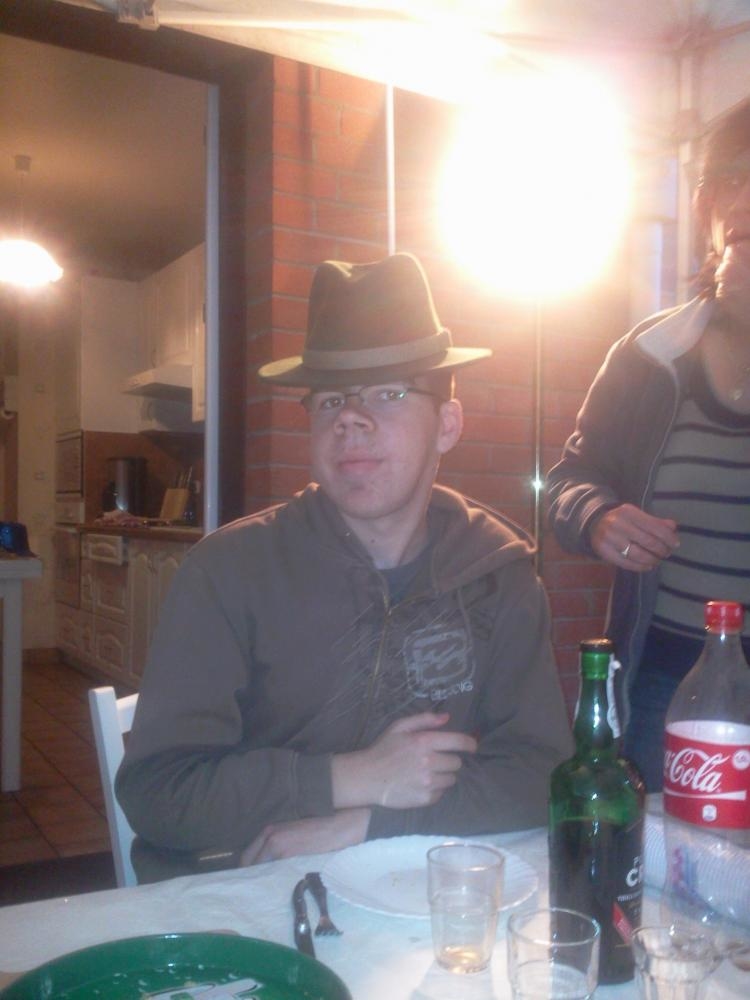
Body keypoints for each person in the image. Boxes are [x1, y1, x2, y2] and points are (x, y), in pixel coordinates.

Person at [116, 251, 573, 883]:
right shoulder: (226, 572)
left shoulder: (500, 576)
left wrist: (366, 825)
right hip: (242, 889)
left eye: (389, 393)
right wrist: (351, 777)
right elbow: (159, 794)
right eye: (331, 400)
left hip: (418, 888)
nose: (352, 419)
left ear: (447, 424)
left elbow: (540, 775)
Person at [547, 99, 750, 791]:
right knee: (665, 850)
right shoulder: (651, 353)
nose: (744, 198)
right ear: (706, 211)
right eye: (730, 180)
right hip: (667, 674)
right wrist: (598, 516)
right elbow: (569, 478)